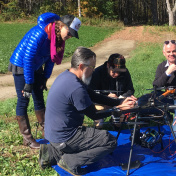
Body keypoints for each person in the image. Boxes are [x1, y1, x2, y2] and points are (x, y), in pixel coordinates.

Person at [38, 47, 137, 175]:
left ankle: (50, 152)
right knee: (110, 141)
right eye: (92, 67)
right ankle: (70, 161)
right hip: (65, 136)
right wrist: (118, 109)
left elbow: (93, 95)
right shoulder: (76, 88)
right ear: (81, 66)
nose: (93, 70)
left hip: (53, 134)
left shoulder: (66, 75)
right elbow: (94, 114)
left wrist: (119, 102)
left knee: (92, 136)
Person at [8, 12, 81, 149]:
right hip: (21, 65)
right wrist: (28, 83)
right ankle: (27, 138)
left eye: (72, 35)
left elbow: (51, 59)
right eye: (69, 32)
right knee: (24, 99)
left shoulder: (57, 39)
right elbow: (28, 58)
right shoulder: (40, 33)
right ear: (61, 25)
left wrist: (45, 78)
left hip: (35, 66)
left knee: (39, 97)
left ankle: (47, 132)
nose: (70, 36)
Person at [89, 53, 135, 128]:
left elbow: (130, 90)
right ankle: (98, 130)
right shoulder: (97, 73)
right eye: (114, 71)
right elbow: (91, 93)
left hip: (119, 102)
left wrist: (121, 98)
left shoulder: (125, 73)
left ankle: (115, 124)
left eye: (119, 72)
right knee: (99, 123)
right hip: (101, 102)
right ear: (108, 65)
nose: (116, 74)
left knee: (119, 123)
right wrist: (106, 97)